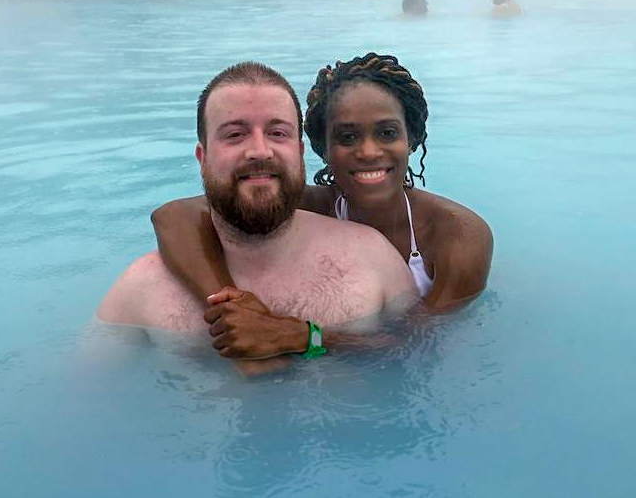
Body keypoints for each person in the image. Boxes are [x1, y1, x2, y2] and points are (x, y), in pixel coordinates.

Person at [151, 53, 493, 361]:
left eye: (387, 133)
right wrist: (232, 309)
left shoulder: (458, 235)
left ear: (412, 137)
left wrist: (300, 336)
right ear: (320, 149)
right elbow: (174, 216)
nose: (369, 151)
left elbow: (423, 347)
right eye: (347, 138)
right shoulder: (311, 205)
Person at [97, 62, 420, 360]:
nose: (259, 150)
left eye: (277, 133)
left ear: (299, 150)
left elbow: (414, 353)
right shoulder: (142, 290)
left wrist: (309, 340)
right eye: (235, 135)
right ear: (202, 158)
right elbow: (91, 397)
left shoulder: (371, 256)